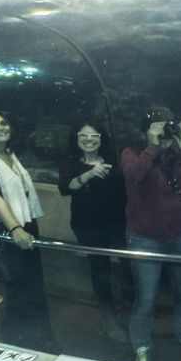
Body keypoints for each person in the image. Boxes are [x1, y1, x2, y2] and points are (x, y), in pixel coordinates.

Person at [120, 104, 181, 361]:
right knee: (146, 297)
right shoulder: (132, 153)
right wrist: (152, 146)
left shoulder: (179, 153)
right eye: (157, 125)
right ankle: (141, 345)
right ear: (145, 130)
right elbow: (133, 177)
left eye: (167, 125)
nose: (164, 130)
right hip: (144, 237)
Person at [0, 111, 55, 351]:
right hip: (9, 229)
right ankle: (17, 343)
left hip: (25, 226)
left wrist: (25, 226)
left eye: (3, 122)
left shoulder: (9, 155)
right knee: (20, 290)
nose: (0, 127)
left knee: (33, 287)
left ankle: (40, 340)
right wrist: (15, 228)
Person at [58, 121, 127, 340]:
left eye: (94, 135)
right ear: (76, 139)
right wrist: (89, 174)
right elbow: (66, 187)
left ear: (101, 138)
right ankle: (109, 320)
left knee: (128, 268)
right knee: (100, 271)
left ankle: (129, 312)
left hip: (117, 223)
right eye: (83, 135)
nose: (89, 139)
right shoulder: (70, 162)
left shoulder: (113, 160)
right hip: (87, 225)